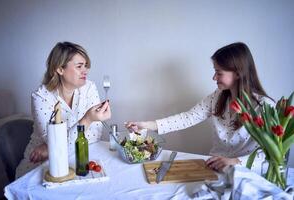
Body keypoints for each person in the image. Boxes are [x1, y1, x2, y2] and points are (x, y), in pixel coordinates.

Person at [125, 42, 274, 172]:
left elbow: (271, 154)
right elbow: (187, 118)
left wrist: (236, 162)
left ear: (237, 73)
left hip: (246, 175)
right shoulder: (217, 97)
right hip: (214, 170)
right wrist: (146, 125)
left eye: (218, 73)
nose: (214, 78)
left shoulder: (265, 107)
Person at [16, 42, 111, 178]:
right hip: (41, 166)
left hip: (75, 160)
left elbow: (96, 135)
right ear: (60, 69)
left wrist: (50, 148)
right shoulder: (41, 97)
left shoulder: (89, 88)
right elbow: (55, 144)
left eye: (85, 66)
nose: (85, 71)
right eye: (79, 66)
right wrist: (87, 120)